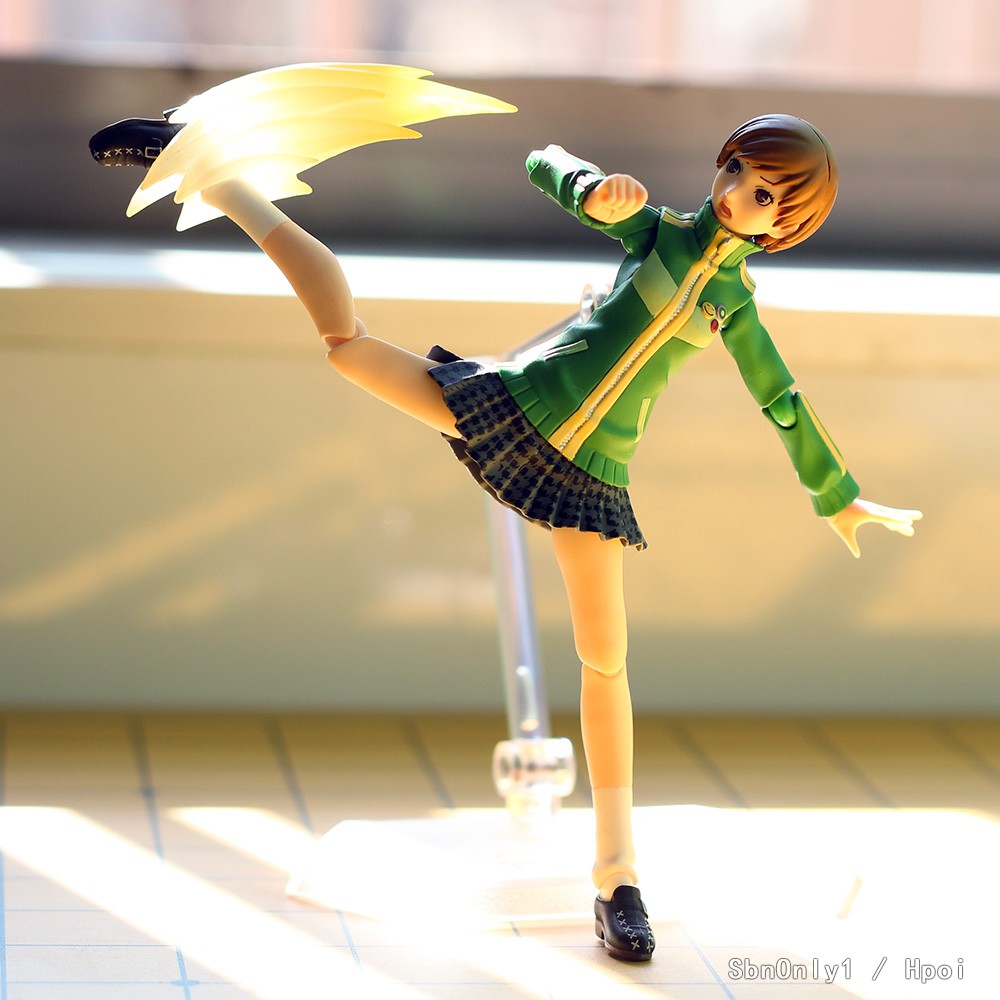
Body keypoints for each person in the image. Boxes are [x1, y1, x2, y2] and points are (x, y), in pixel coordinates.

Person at [90, 71, 921, 962]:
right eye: (736, 171)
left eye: (762, 194)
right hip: (511, 405)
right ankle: (218, 178)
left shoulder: (735, 306)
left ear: (784, 224)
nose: (736, 194)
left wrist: (836, 493)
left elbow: (781, 400)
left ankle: (617, 878)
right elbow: (543, 162)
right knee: (348, 345)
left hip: (592, 478)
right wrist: (593, 189)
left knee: (606, 663)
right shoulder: (658, 232)